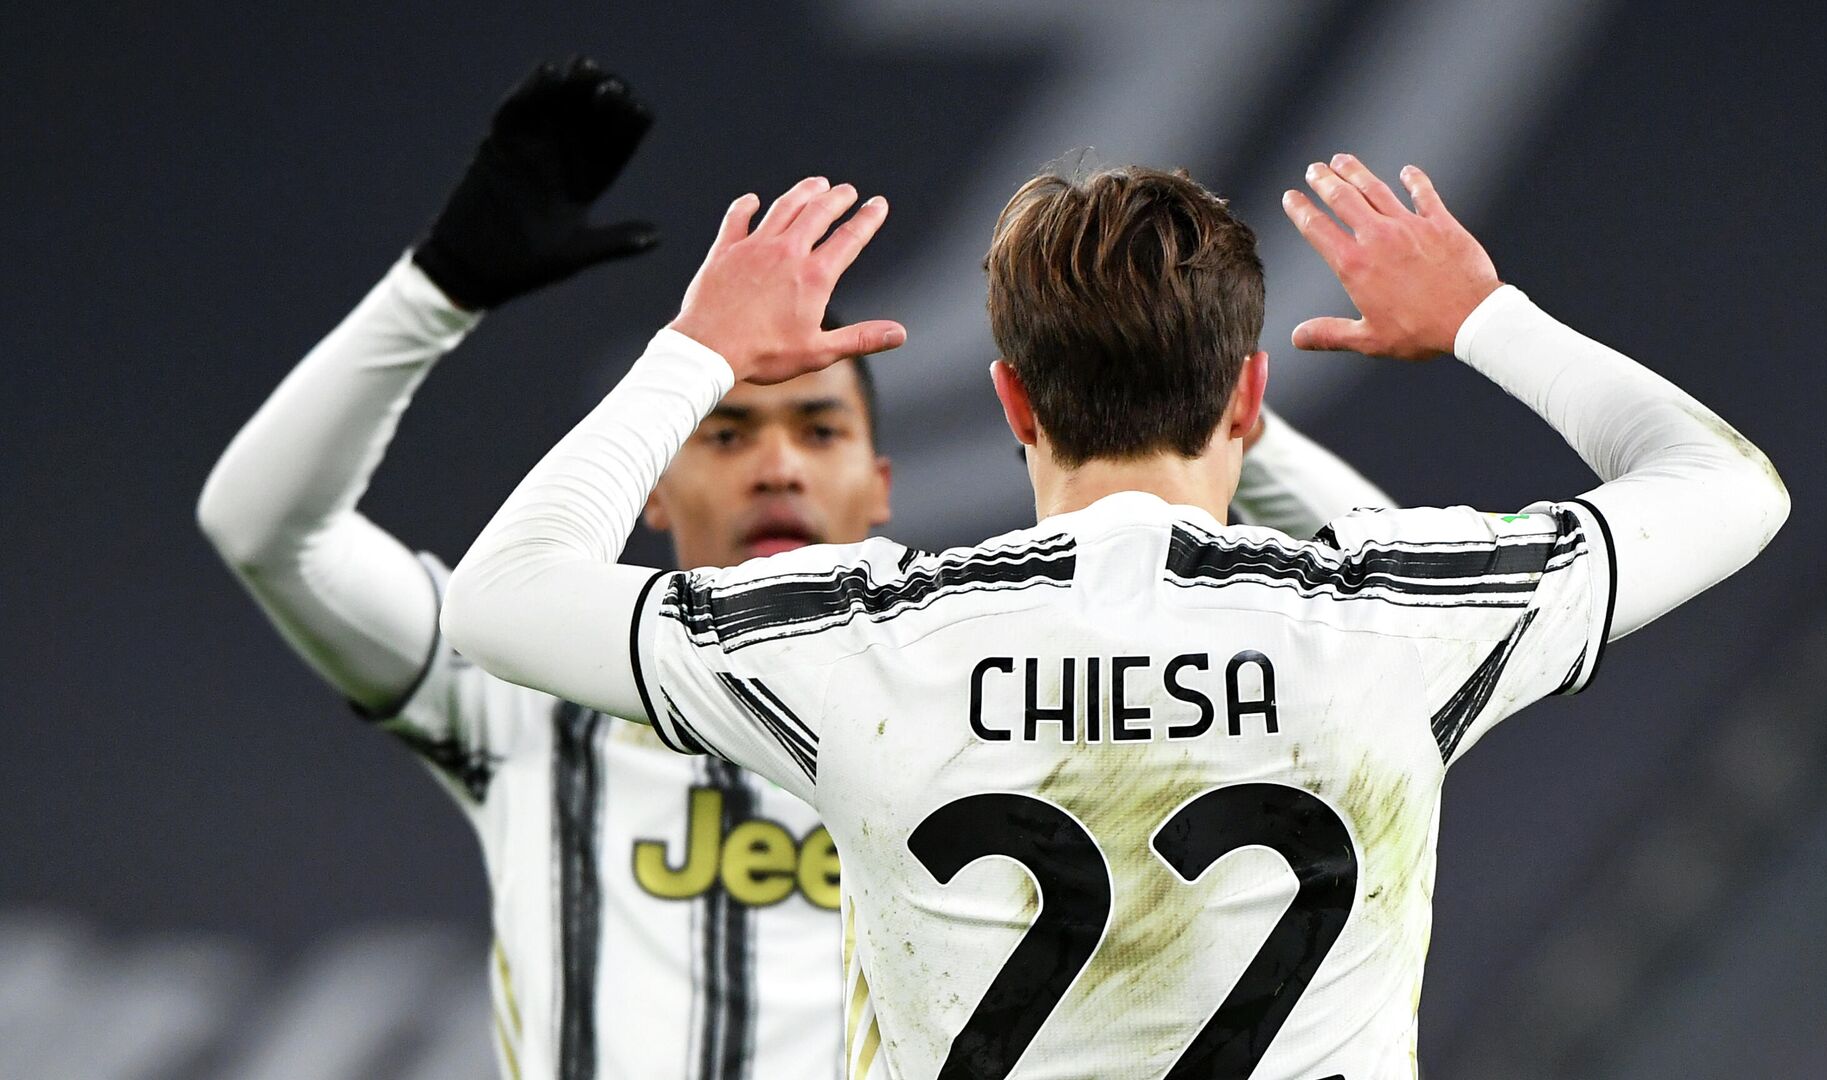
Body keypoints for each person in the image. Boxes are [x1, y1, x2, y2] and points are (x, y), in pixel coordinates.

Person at [438, 158, 1787, 1078]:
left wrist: (701, 352)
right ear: (1248, 391)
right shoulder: (1389, 610)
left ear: (1011, 401)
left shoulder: (867, 636)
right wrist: (1488, 317)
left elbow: (502, 596)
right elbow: (1726, 486)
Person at [196, 59, 1390, 1080]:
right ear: (650, 479)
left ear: (882, 486)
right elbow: (265, 529)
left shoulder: (958, 677)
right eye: (727, 431)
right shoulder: (525, 700)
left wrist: (1155, 373)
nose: (774, 465)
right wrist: (434, 294)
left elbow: (1382, 652)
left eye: (818, 432)